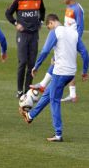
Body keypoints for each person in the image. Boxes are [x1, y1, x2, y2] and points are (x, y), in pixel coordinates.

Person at [19, 14, 88, 142]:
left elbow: (45, 50)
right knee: (48, 94)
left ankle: (58, 134)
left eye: (48, 27)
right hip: (70, 73)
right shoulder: (73, 33)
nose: (49, 29)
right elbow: (84, 52)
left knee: (54, 101)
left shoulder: (55, 32)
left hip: (60, 72)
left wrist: (36, 66)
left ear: (51, 23)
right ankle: (30, 115)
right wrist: (84, 71)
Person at [30, 0, 84, 103]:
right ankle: (72, 94)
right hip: (66, 40)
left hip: (71, 42)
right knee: (60, 63)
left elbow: (80, 27)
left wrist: (74, 42)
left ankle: (44, 85)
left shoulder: (77, 9)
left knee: (61, 64)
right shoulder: (69, 7)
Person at [5, 0, 45, 98]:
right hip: (23, 35)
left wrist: (41, 22)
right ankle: (19, 91)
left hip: (34, 35)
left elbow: (42, 11)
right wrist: (16, 24)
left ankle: (28, 90)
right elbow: (8, 13)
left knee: (32, 64)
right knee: (23, 62)